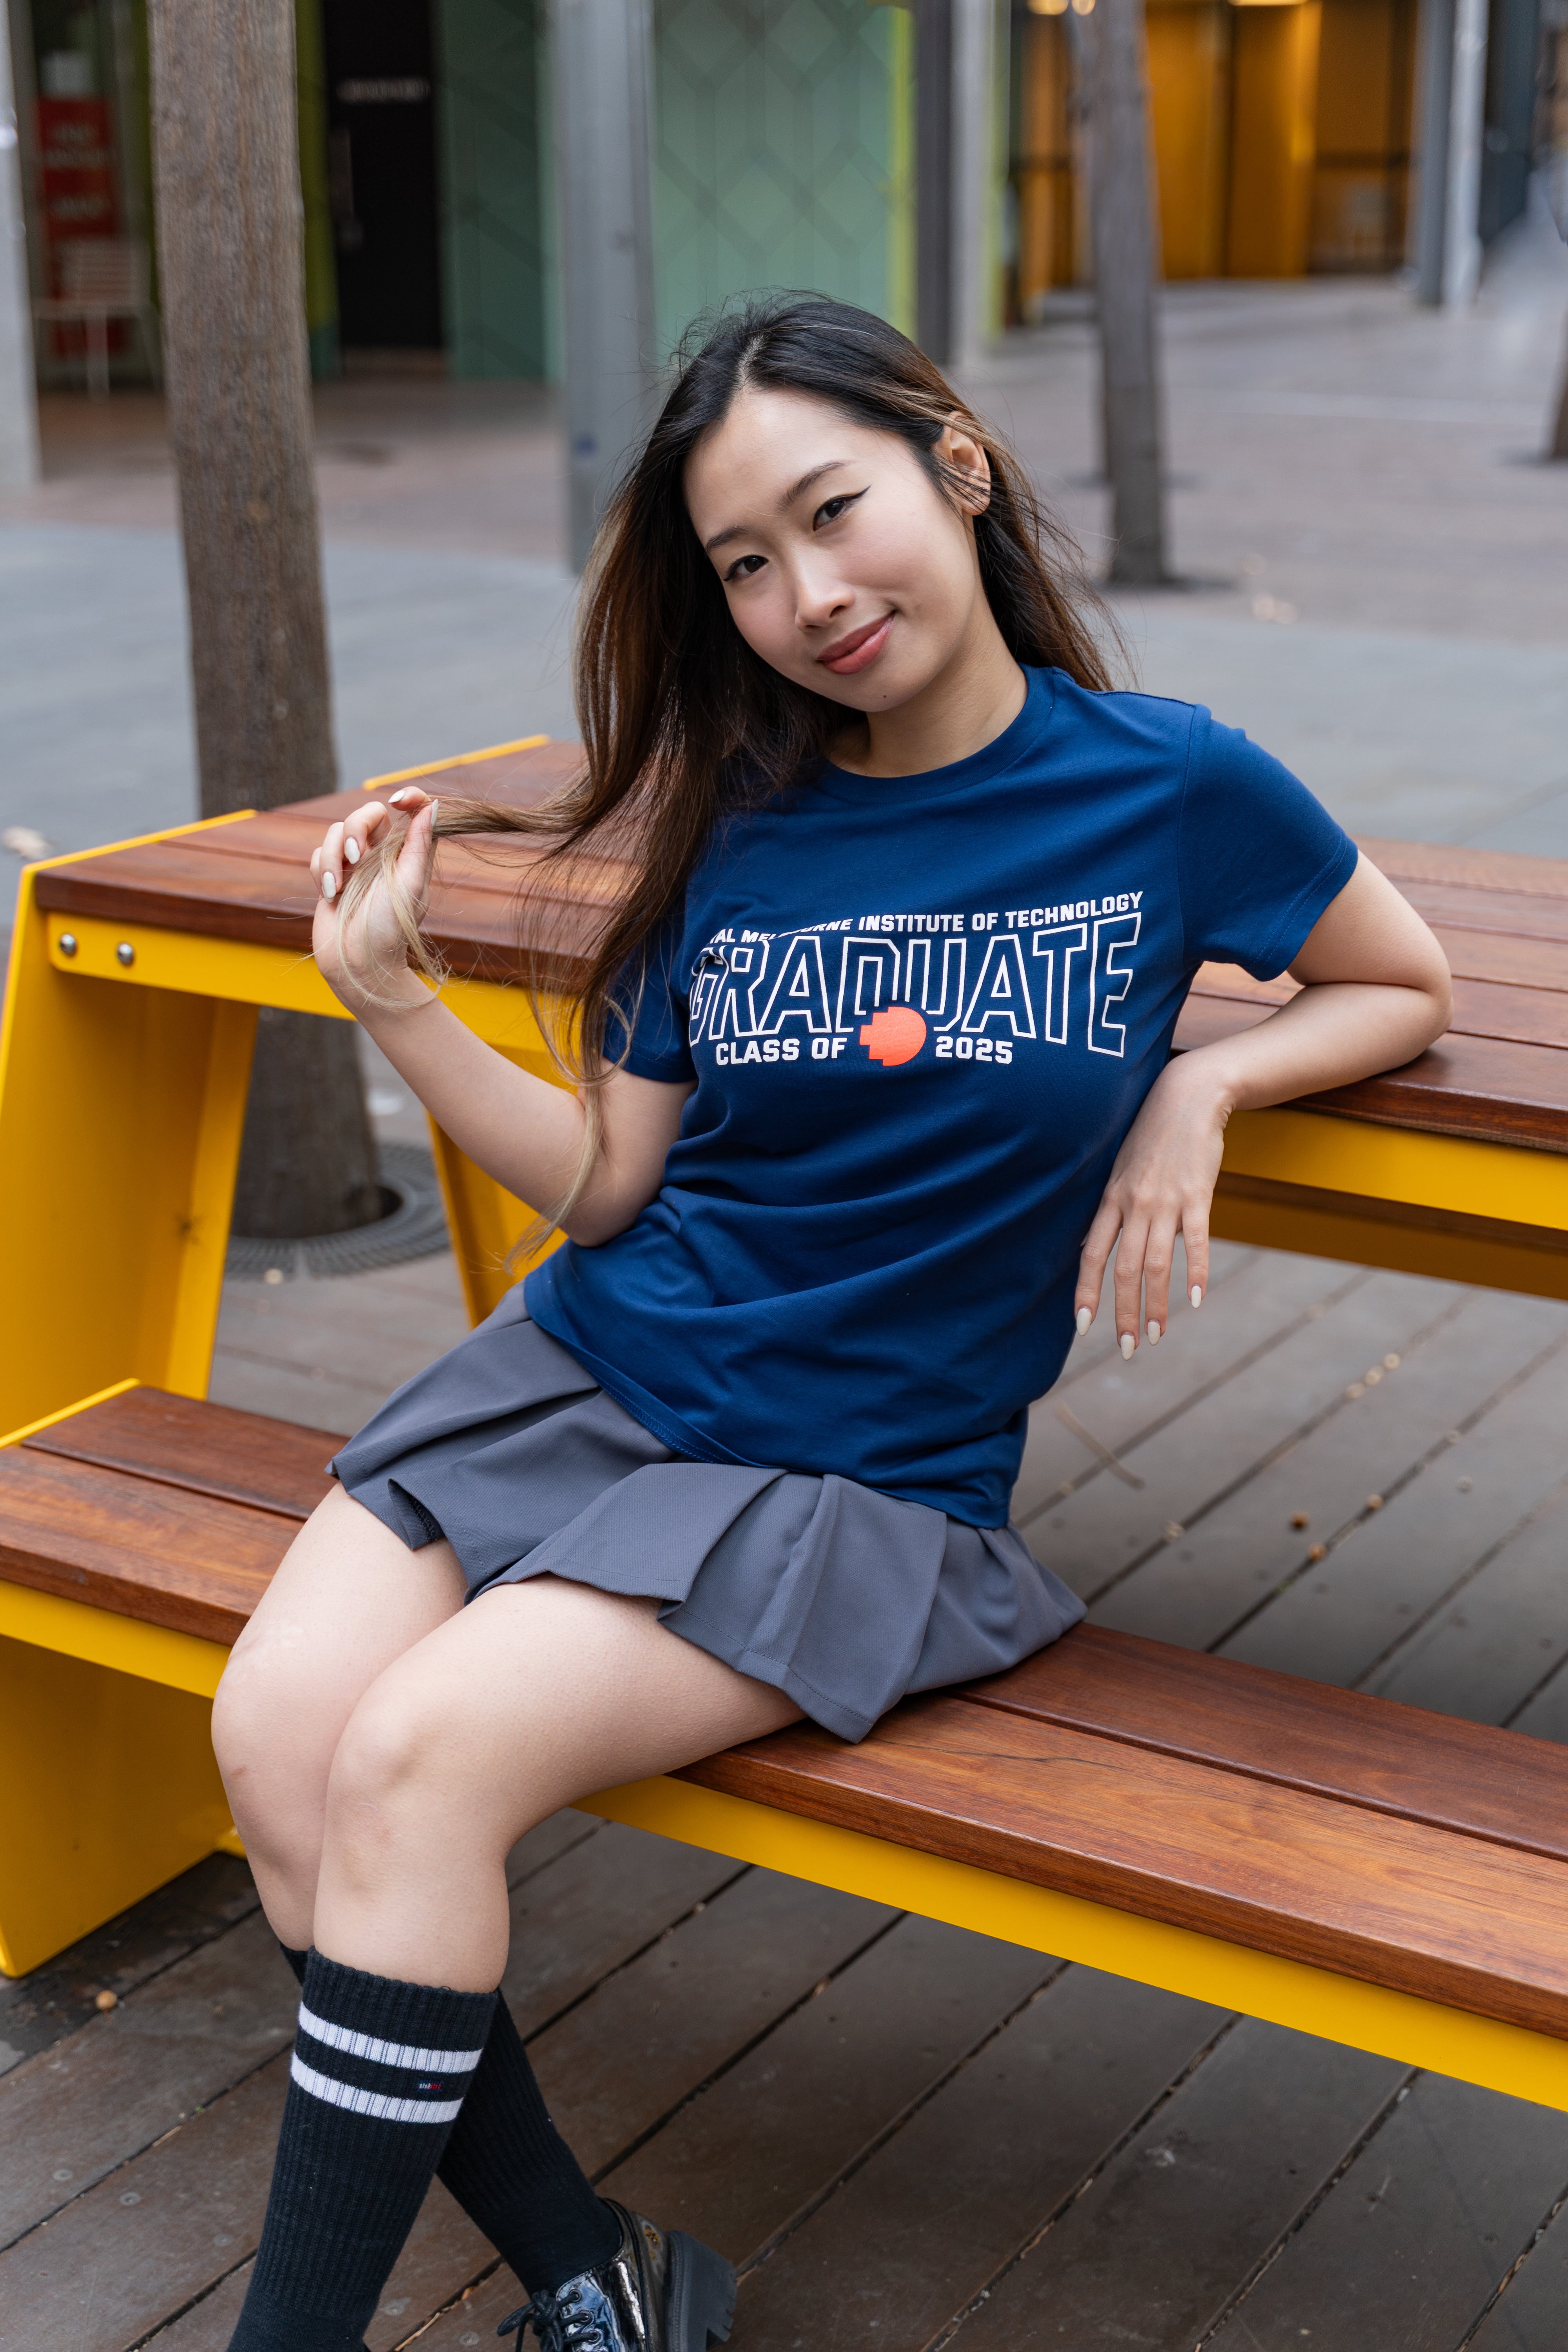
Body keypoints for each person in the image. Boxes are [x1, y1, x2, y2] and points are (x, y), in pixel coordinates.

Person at [212, 295, 1451, 2352]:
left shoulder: (1167, 791)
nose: (807, 594)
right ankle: (598, 2278)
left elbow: (1393, 978)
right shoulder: (747, 814)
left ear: (956, 463)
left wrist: (1200, 1083)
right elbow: (616, 1182)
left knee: (417, 1766)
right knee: (279, 1740)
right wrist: (396, 996)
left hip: (850, 1471)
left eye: (832, 510)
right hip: (598, 1366)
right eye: (746, 564)